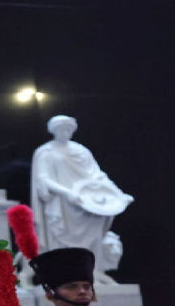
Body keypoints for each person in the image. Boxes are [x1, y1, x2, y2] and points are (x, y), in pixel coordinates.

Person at [31, 115, 133, 282]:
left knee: (93, 239)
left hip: (87, 205)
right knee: (62, 239)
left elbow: (98, 176)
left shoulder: (81, 151)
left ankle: (91, 272)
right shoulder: (46, 152)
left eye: (69, 130)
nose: (66, 133)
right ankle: (65, 275)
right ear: (54, 131)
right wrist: (68, 193)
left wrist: (118, 194)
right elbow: (43, 179)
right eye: (62, 130)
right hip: (62, 204)